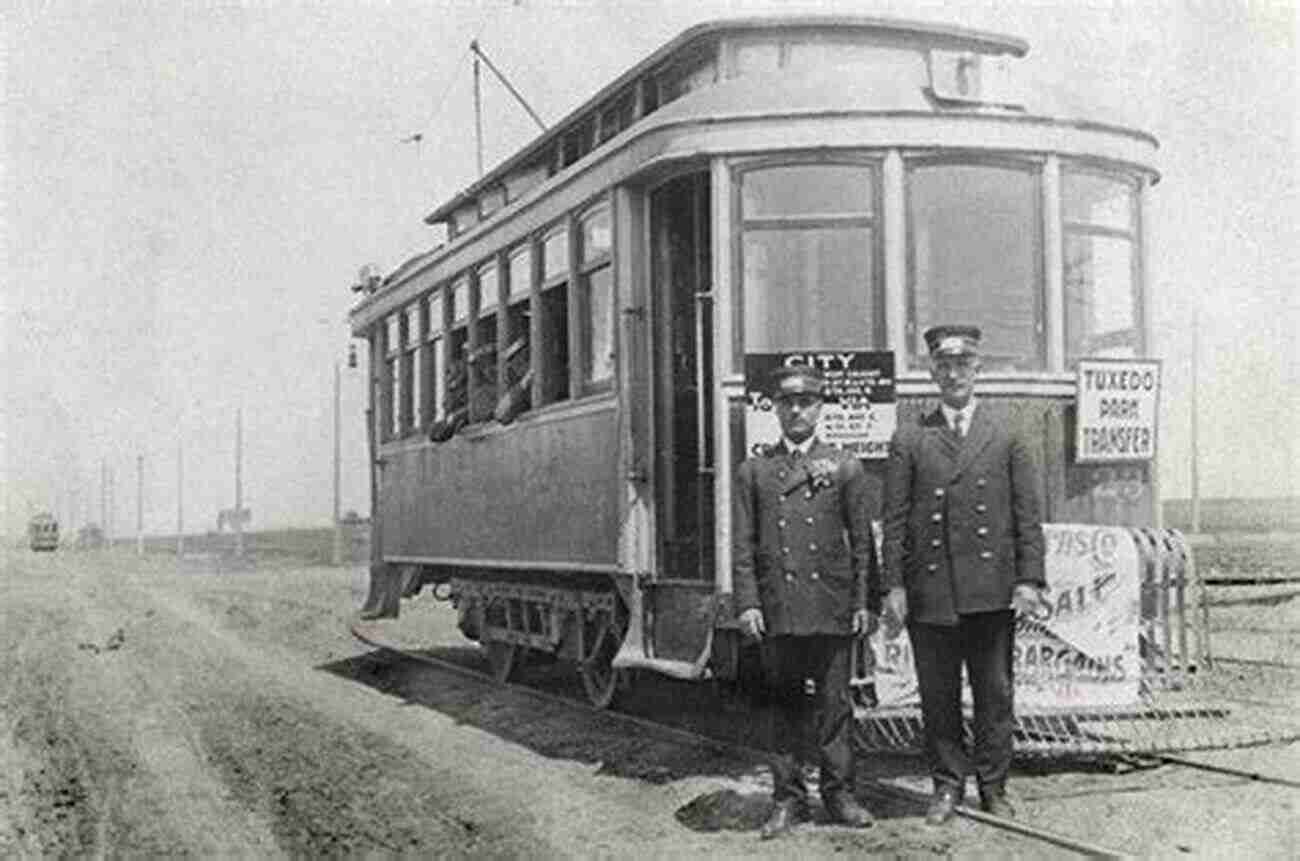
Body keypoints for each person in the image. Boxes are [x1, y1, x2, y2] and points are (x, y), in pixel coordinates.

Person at [881, 325, 1046, 824]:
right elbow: (894, 520)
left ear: (978, 370)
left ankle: (993, 787)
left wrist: (1028, 578)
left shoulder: (1008, 433)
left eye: (963, 365)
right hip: (932, 592)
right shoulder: (911, 437)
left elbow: (1026, 515)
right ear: (932, 372)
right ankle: (947, 786)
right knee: (938, 695)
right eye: (944, 366)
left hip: (991, 591)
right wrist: (894, 586)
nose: (953, 375)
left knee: (995, 694)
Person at [733, 362, 880, 839]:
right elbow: (743, 544)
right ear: (775, 409)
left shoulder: (846, 465)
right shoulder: (755, 470)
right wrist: (749, 603)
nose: (797, 411)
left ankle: (840, 795)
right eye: (788, 403)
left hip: (831, 604)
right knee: (784, 707)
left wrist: (863, 602)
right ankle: (788, 800)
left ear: (820, 409)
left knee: (836, 707)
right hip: (779, 608)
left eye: (806, 402)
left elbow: (863, 543)